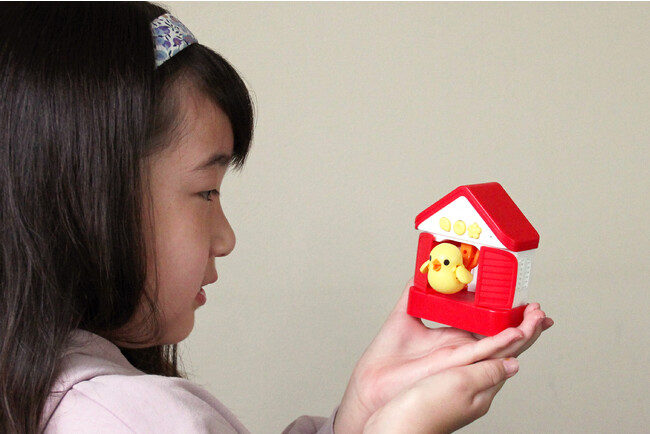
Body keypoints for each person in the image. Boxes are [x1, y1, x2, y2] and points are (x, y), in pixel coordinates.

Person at [0, 3, 553, 433]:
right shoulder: (126, 418)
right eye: (205, 192)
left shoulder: (54, 395)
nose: (226, 239)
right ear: (82, 196)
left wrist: (362, 409)